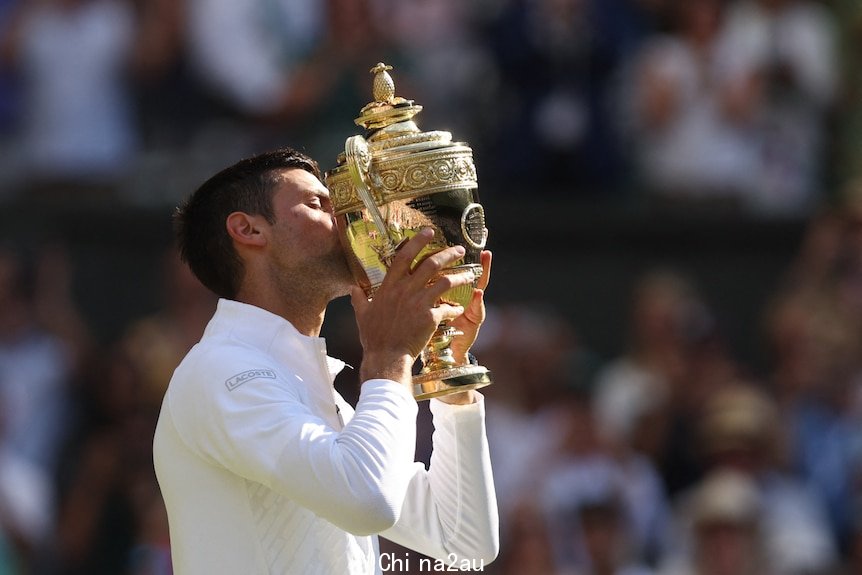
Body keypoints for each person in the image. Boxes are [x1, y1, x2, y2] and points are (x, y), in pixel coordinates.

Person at [152, 147, 499, 574]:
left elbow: (465, 540)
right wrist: (389, 358)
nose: (349, 218)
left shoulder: (311, 391)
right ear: (248, 230)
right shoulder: (220, 372)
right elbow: (368, 502)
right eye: (319, 203)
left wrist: (448, 371)